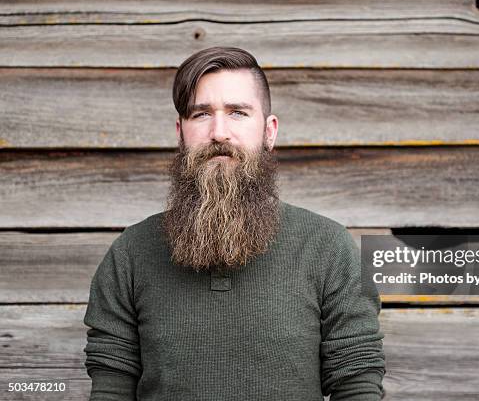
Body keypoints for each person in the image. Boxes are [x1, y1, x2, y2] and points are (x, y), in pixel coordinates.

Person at [83, 46, 386, 400]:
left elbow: (357, 383)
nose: (219, 133)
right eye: (201, 114)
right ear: (180, 133)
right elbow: (110, 389)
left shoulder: (328, 247)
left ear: (269, 132)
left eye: (238, 112)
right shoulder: (131, 254)